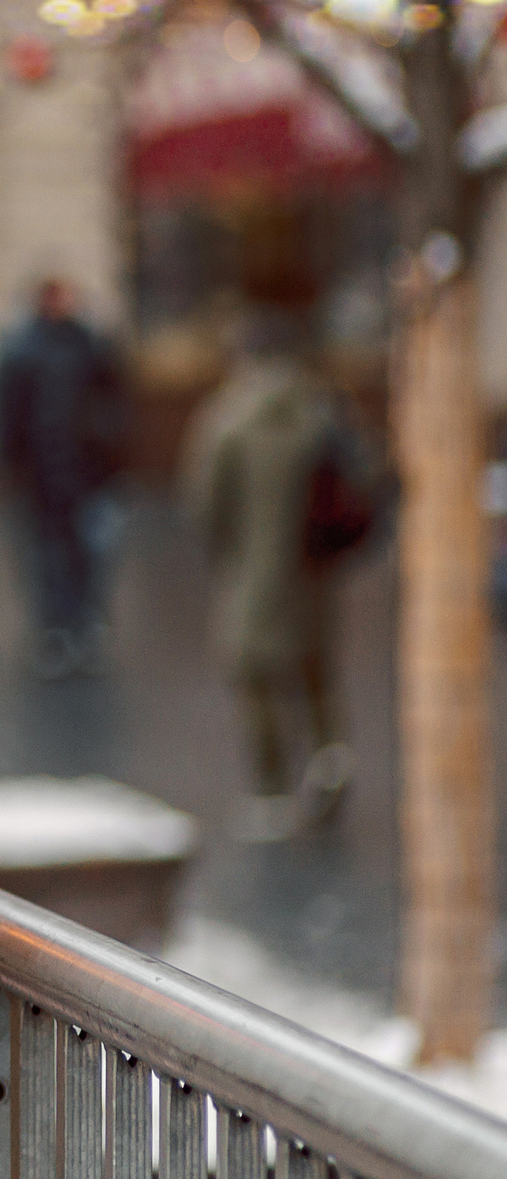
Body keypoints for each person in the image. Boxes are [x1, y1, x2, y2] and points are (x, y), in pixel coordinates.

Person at [181, 308, 367, 841]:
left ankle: (272, 787)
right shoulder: (323, 410)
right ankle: (330, 756)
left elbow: (204, 501)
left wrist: (229, 549)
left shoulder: (227, 418)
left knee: (253, 674)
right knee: (315, 668)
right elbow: (360, 477)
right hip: (314, 572)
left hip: (252, 573)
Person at [0, 277, 127, 678]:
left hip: (85, 472)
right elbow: (8, 412)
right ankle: (56, 627)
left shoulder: (90, 344)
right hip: (43, 476)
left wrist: (109, 451)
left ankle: (81, 622)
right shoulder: (22, 350)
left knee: (87, 550)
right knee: (47, 554)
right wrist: (10, 462)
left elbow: (113, 400)